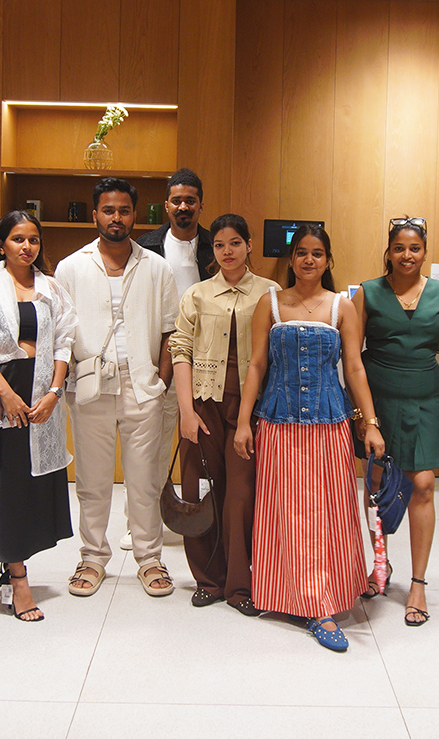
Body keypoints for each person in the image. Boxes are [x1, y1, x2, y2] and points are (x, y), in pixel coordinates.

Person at [234, 225, 384, 652]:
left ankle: (322, 600)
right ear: (291, 258)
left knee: (325, 512)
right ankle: (286, 593)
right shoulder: (270, 303)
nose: (308, 260)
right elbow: (256, 366)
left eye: (317, 253)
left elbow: (354, 368)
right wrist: (244, 422)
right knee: (283, 510)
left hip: (329, 424)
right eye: (301, 252)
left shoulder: (342, 306)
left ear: (328, 260)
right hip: (277, 423)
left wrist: (371, 422)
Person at [55, 177, 179, 599]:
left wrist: (161, 381)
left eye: (124, 211)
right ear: (95, 215)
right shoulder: (71, 268)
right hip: (89, 386)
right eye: (108, 210)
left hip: (142, 385)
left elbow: (170, 330)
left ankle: (149, 559)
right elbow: (61, 333)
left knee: (144, 480)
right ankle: (92, 557)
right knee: (92, 480)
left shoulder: (157, 267)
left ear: (135, 215)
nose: (116, 218)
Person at [352, 216, 439, 627]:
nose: (407, 255)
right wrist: (365, 417)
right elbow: (352, 358)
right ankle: (379, 566)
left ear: (424, 252)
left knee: (423, 484)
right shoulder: (368, 293)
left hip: (424, 402)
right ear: (389, 251)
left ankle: (418, 583)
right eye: (399, 248)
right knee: (378, 486)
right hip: (378, 402)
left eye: (414, 248)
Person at [168, 213, 277, 615]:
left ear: (249, 245)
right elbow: (180, 349)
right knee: (198, 493)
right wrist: (186, 411)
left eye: (234, 243)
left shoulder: (269, 293)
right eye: (219, 245)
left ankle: (240, 585)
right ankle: (207, 580)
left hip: (249, 410)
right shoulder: (197, 294)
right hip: (202, 407)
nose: (227, 251)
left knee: (240, 497)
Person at [0, 210, 77, 621]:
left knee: (34, 485)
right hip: (4, 391)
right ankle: (18, 580)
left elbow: (65, 341)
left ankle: (12, 563)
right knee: (8, 485)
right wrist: (5, 394)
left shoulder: (50, 286)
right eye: (18, 239)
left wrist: (54, 392)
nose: (27, 246)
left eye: (33, 239)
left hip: (43, 393)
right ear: (2, 243)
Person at [134, 167, 215, 553]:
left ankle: (204, 517)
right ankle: (142, 523)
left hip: (209, 360)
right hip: (161, 360)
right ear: (166, 205)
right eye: (177, 201)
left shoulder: (216, 245)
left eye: (190, 201)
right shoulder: (145, 246)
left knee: (204, 443)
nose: (184, 207)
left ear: (201, 205)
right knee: (153, 443)